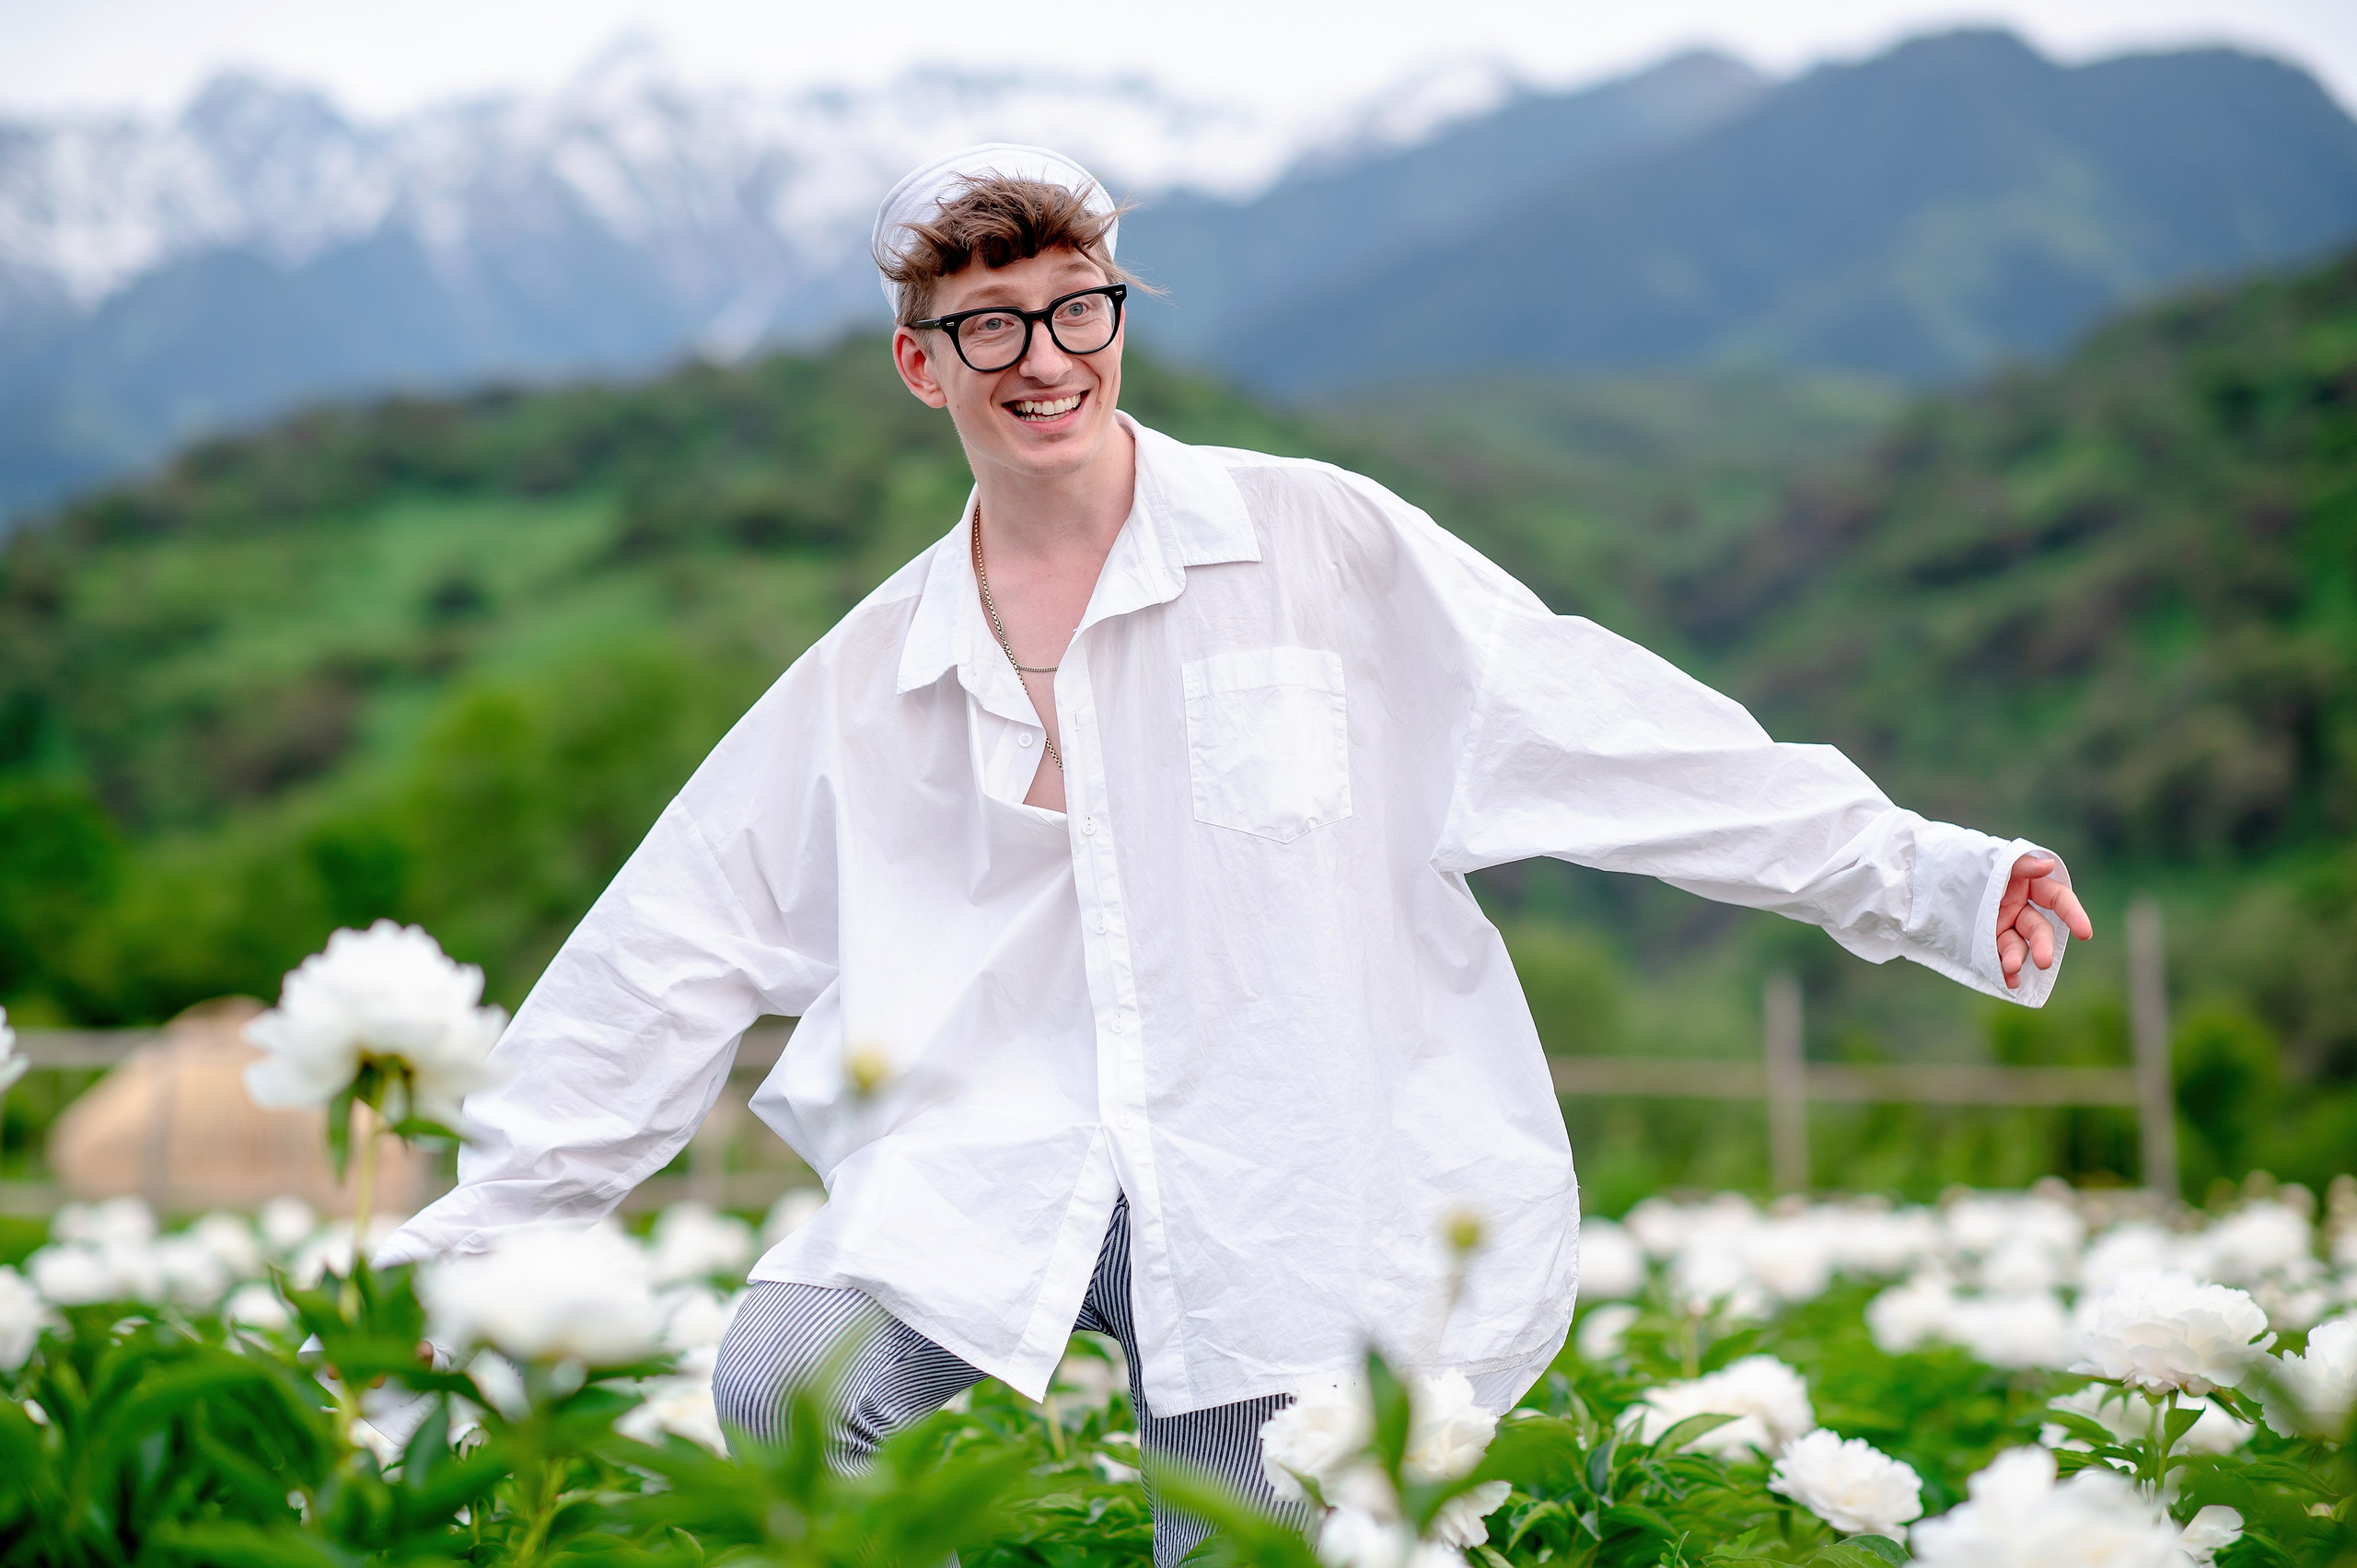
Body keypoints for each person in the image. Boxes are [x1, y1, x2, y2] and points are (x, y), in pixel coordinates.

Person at [377, 144, 2093, 1562]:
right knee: (788, 1377)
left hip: (1279, 1183)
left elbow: (1615, 733)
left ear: (1118, 317)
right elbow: (667, 950)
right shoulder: (871, 673)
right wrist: (474, 1256)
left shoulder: (1318, 546)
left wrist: (1928, 874)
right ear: (922, 365)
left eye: (1076, 312)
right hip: (998, 1168)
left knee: (1253, 1550)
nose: (1045, 358)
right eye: (990, 330)